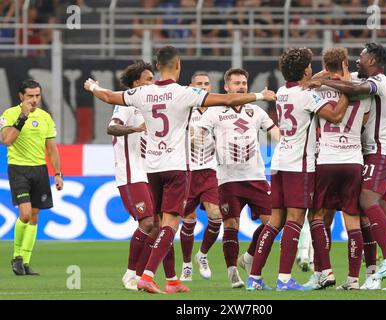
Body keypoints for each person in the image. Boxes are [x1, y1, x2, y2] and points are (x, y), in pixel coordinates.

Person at [83, 45, 276, 294]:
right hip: (176, 167)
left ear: (158, 66)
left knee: (159, 222)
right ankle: (147, 276)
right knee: (170, 224)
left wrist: (93, 87)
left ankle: (172, 280)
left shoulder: (142, 93)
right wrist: (259, 96)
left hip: (151, 168)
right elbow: (227, 100)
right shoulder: (185, 93)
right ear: (178, 65)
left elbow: (109, 96)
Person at [307, 42, 386, 290]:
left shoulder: (380, 83)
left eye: (362, 56)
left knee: (366, 202)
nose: (357, 60)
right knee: (381, 215)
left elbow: (355, 88)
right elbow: (338, 76)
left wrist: (323, 83)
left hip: (380, 151)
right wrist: (324, 75)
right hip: (371, 152)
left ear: (373, 61)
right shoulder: (358, 77)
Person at [246, 47, 349, 291]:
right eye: (310, 66)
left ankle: (255, 278)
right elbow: (334, 115)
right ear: (305, 70)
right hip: (300, 165)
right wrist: (347, 93)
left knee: (274, 221)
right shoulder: (307, 96)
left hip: (280, 161)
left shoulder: (283, 91)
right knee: (295, 219)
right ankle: (284, 280)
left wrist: (322, 75)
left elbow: (308, 81)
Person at [197, 68, 280, 289]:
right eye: (236, 84)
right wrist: (197, 142)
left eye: (244, 83)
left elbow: (275, 132)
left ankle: (249, 257)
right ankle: (233, 272)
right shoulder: (214, 112)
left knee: (273, 222)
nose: (241, 86)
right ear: (226, 87)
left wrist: (289, 143)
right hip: (227, 179)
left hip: (255, 177)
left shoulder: (256, 111)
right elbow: (198, 133)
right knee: (231, 224)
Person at [307, 47, 371, 290]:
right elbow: (365, 121)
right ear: (346, 63)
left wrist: (325, 75)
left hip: (327, 159)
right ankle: (353, 279)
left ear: (324, 64)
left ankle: (325, 271)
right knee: (351, 218)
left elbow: (307, 83)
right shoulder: (360, 86)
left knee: (318, 217)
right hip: (353, 159)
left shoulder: (318, 88)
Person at [106, 60, 162, 291]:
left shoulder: (149, 106)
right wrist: (135, 129)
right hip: (131, 175)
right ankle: (131, 274)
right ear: (136, 82)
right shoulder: (127, 104)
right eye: (149, 79)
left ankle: (140, 276)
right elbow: (112, 127)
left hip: (150, 173)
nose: (154, 82)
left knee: (157, 225)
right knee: (147, 222)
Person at [0, 79, 63, 276]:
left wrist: (58, 173)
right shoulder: (9, 114)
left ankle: (25, 262)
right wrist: (23, 117)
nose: (34, 100)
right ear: (21, 96)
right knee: (25, 214)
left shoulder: (45, 117)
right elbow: (7, 140)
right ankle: (17, 257)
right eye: (30, 96)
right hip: (18, 169)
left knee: (34, 217)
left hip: (39, 170)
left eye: (37, 96)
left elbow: (51, 149)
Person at [179, 73, 222, 282]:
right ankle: (186, 264)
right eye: (199, 84)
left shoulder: (218, 111)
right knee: (189, 219)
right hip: (187, 171)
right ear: (191, 87)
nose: (203, 87)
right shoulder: (186, 110)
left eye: (206, 84)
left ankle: (202, 254)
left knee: (216, 217)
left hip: (210, 170)